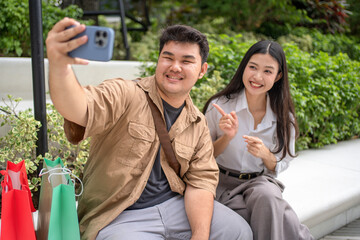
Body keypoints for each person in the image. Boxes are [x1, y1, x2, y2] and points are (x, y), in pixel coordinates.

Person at [46, 17, 253, 240]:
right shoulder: (126, 93)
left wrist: (199, 235)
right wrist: (60, 66)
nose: (175, 67)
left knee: (239, 231)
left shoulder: (197, 123)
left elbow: (201, 182)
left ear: (202, 70)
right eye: (168, 57)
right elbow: (79, 108)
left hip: (175, 206)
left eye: (186, 61)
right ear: (158, 60)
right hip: (120, 215)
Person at [203, 40, 314, 240]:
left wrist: (266, 154)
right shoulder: (218, 106)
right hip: (222, 183)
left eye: (267, 71)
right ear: (244, 67)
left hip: (260, 182)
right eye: (252, 67)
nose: (257, 76)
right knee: (277, 216)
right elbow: (203, 156)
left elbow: (282, 162)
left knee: (268, 197)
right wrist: (227, 137)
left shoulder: (283, 116)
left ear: (278, 76)